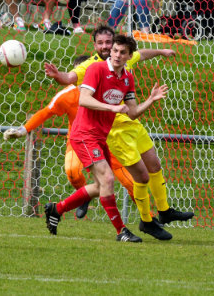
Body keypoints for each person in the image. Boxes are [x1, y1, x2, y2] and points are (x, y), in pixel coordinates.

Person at [45, 25, 194, 241]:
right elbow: (83, 98)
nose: (115, 54)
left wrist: (150, 100)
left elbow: (132, 113)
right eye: (114, 50)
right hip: (84, 134)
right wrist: (111, 108)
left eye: (121, 52)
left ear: (129, 56)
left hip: (101, 136)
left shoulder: (127, 78)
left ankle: (56, 209)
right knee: (109, 179)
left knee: (101, 185)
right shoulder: (95, 68)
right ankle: (121, 231)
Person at [3, 55, 137, 218]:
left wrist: (160, 51)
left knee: (132, 184)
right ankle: (84, 198)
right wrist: (22, 130)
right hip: (79, 140)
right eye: (79, 75)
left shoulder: (109, 90)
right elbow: (45, 113)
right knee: (72, 171)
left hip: (108, 141)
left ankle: (149, 219)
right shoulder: (66, 95)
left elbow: (129, 107)